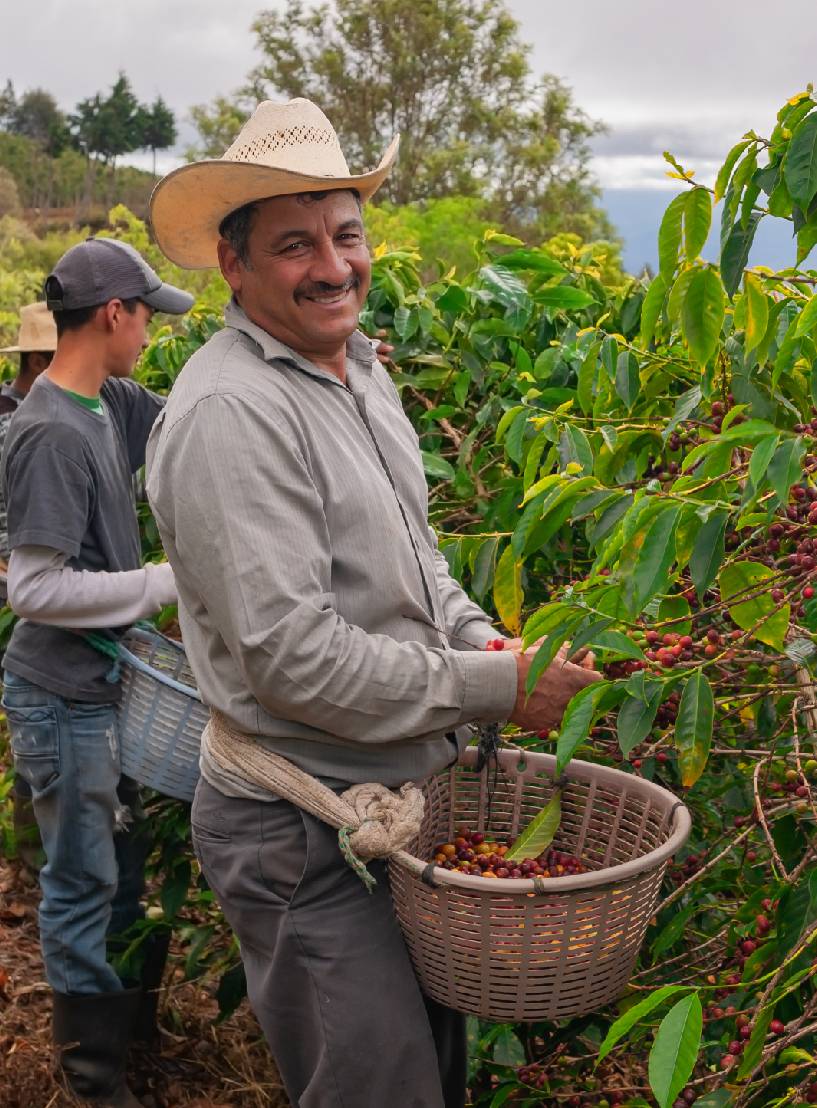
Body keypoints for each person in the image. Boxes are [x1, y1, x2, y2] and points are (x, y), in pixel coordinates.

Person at [144, 99, 599, 1108]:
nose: (332, 266)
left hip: (397, 810)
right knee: (378, 1089)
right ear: (234, 264)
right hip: (300, 828)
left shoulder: (353, 373)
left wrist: (479, 635)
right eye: (294, 244)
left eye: (346, 235)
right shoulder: (231, 414)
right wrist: (494, 686)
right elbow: (291, 658)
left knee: (425, 1077)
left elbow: (413, 559)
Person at [0, 238, 194, 1108]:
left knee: (117, 866)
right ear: (113, 314)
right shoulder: (45, 432)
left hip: (103, 686)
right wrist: (163, 583)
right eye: (147, 314)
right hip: (58, 693)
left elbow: (195, 416)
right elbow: (34, 588)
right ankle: (90, 1084)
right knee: (80, 880)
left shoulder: (108, 403)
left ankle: (126, 1037)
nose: (151, 331)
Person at [0, 301, 57, 877]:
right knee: (40, 742)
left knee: (45, 738)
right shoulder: (8, 425)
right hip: (18, 600)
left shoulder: (42, 410)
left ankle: (47, 866)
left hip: (36, 594)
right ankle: (39, 868)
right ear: (37, 358)